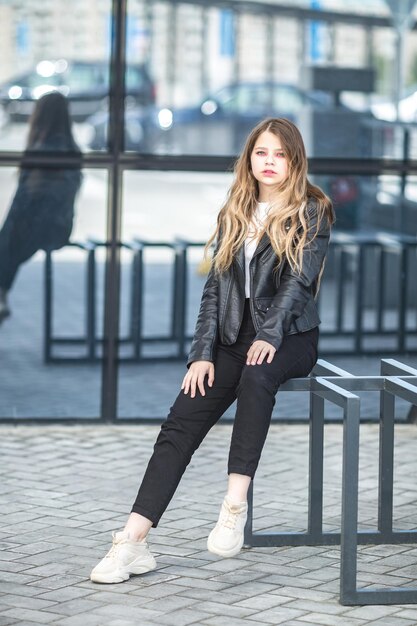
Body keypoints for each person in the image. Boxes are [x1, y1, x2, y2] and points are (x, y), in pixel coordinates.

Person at [90, 117, 335, 584]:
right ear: (250, 158)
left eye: (279, 154)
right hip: (230, 337)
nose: (269, 162)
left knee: (256, 376)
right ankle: (132, 542)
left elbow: (298, 284)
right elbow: (215, 289)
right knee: (179, 423)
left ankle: (234, 504)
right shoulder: (236, 209)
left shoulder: (312, 211)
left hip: (291, 337)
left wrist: (269, 336)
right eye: (261, 152)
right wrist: (202, 351)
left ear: (294, 161)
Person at [0, 91, 82, 323]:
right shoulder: (70, 147)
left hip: (43, 227)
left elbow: (24, 200)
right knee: (8, 239)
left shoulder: (43, 147)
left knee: (8, 238)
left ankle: (1, 294)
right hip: (60, 226)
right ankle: (1, 294)